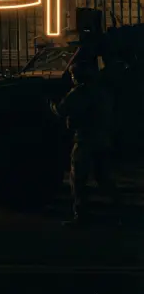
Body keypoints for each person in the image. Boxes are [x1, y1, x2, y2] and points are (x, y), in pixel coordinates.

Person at [51, 60, 120, 226]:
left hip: (84, 139)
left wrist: (51, 104)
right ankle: (119, 212)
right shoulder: (103, 92)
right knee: (104, 177)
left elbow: (61, 110)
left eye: (73, 75)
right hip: (103, 139)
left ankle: (81, 215)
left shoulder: (79, 93)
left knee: (78, 179)